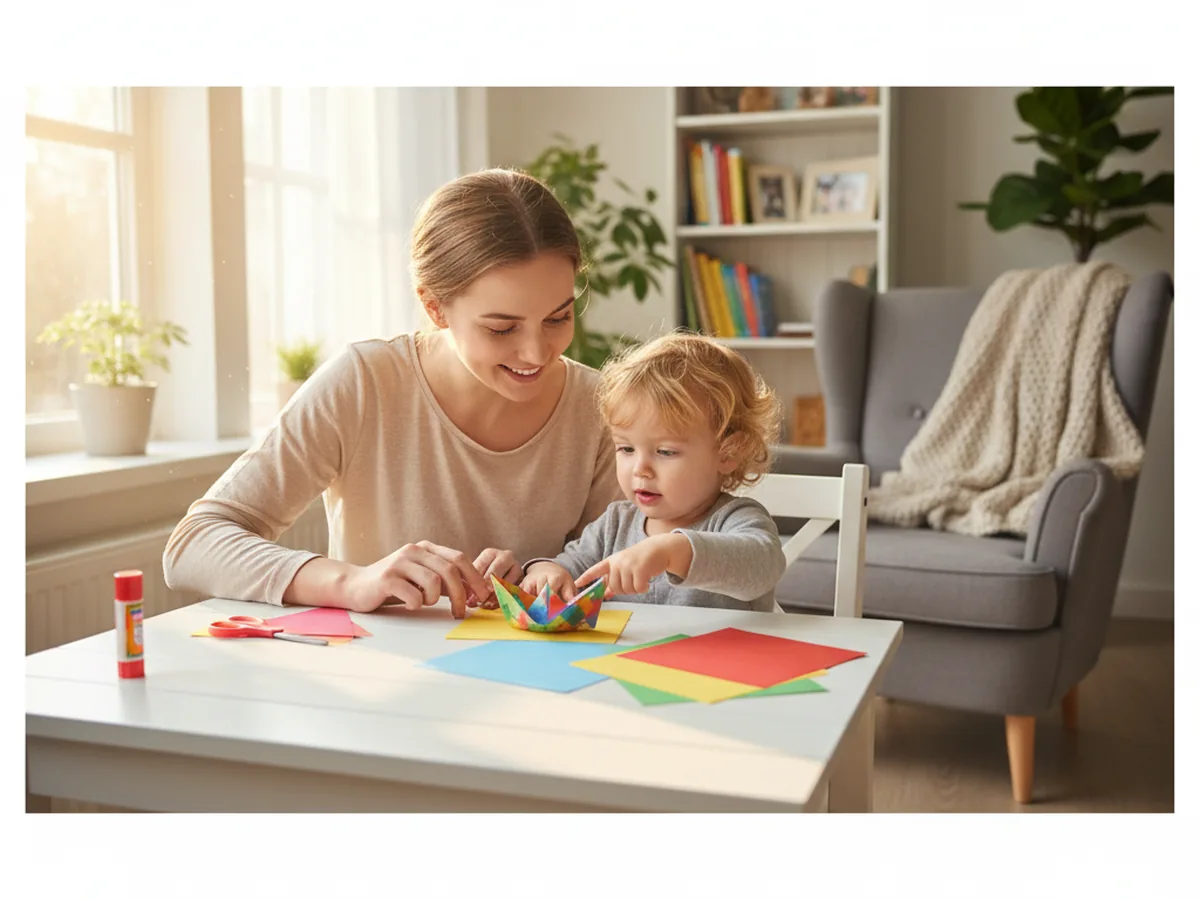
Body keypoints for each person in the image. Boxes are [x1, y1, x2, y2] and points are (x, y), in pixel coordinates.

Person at [162, 168, 623, 619]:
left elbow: (619, 570)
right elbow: (194, 544)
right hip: (376, 680)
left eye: (558, 318)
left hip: (541, 683)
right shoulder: (364, 384)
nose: (536, 352)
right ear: (434, 307)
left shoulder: (598, 406)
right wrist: (353, 582)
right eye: (502, 328)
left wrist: (538, 574)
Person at [519, 332, 787, 612]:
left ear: (729, 453)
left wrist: (673, 551)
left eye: (665, 452)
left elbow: (762, 567)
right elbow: (567, 567)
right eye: (626, 449)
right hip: (627, 657)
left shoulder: (737, 519)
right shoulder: (614, 525)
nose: (640, 469)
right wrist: (545, 572)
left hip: (724, 656)